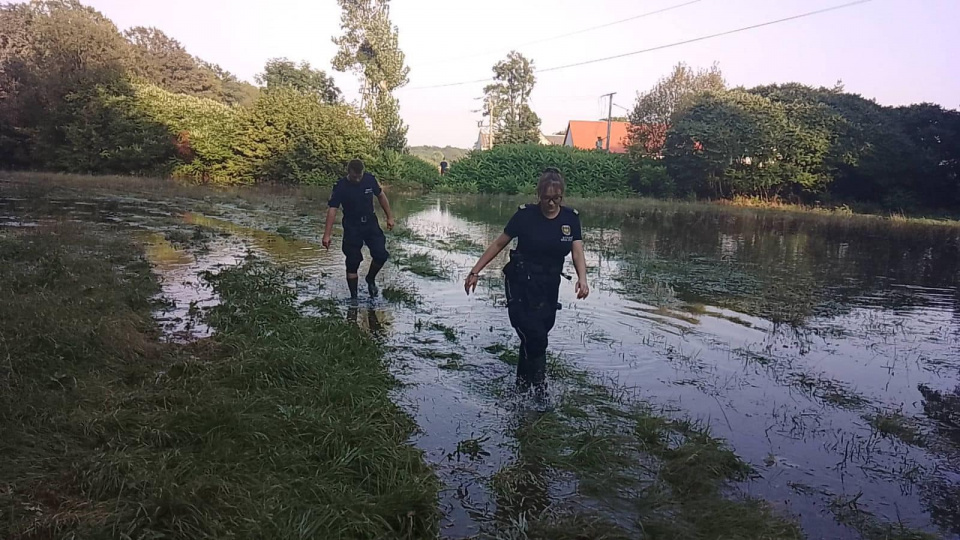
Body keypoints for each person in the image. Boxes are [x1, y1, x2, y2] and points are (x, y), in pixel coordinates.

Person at [464, 167, 589, 392]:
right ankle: (540, 391)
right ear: (538, 195)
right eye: (546, 198)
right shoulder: (524, 216)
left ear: (562, 197)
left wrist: (583, 279)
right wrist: (475, 271)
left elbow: (577, 251)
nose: (551, 203)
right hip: (520, 284)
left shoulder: (571, 219)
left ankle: (521, 387)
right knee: (536, 336)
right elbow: (499, 244)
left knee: (537, 335)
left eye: (556, 199)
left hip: (549, 286)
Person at [322, 159, 395, 300]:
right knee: (353, 261)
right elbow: (332, 210)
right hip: (352, 226)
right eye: (354, 176)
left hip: (370, 224)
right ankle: (354, 298)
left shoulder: (369, 179)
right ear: (348, 172)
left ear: (363, 172)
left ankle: (370, 279)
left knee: (381, 254)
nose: (357, 179)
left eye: (359, 176)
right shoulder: (340, 186)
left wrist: (389, 217)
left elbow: (381, 196)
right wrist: (327, 235)